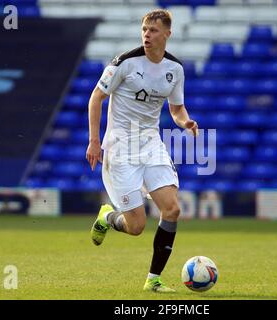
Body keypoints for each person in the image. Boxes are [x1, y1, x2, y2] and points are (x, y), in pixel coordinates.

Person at [86, 9, 198, 293]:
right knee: (136, 226)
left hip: (151, 145)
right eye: (145, 29)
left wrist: (184, 121)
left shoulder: (175, 70)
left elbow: (175, 107)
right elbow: (96, 98)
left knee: (172, 209)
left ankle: (154, 279)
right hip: (121, 148)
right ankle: (107, 217)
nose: (147, 35)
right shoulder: (124, 62)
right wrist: (95, 141)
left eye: (153, 30)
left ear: (167, 34)